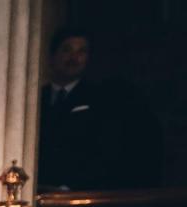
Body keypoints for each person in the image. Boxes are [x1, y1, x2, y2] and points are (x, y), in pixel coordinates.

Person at [36, 27, 160, 193]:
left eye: (81, 52)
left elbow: (105, 150)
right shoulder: (36, 98)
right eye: (67, 50)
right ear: (53, 55)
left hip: (79, 194)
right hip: (38, 189)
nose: (74, 58)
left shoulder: (100, 98)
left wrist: (71, 187)